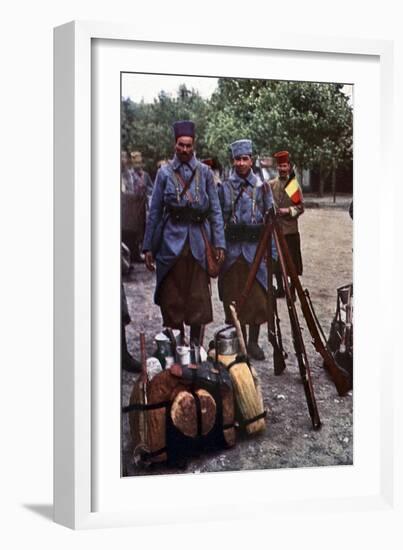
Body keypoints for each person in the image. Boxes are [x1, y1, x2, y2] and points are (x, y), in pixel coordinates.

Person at [142, 120, 226, 345]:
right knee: (172, 301)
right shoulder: (164, 173)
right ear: (175, 144)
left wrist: (219, 244)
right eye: (181, 145)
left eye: (189, 145)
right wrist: (148, 246)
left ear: (194, 144)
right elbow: (155, 210)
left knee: (199, 301)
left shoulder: (206, 173)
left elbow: (215, 211)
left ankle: (196, 352)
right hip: (170, 246)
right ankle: (177, 352)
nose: (185, 150)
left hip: (199, 245)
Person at [218, 139, 275, 360]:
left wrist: (273, 254)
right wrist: (219, 248)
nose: (241, 163)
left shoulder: (262, 187)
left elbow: (270, 222)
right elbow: (219, 218)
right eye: (237, 159)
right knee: (233, 296)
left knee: (257, 299)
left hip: (255, 252)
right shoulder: (224, 187)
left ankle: (252, 342)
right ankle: (237, 339)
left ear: (251, 160)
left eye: (245, 159)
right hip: (232, 253)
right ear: (232, 161)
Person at [269, 150, 304, 299]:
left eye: (285, 165)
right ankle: (280, 287)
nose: (282, 169)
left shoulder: (292, 185)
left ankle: (293, 288)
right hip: (276, 230)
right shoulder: (272, 184)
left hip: (290, 230)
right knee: (277, 261)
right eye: (280, 166)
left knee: (292, 262)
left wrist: (287, 211)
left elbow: (300, 208)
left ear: (289, 166)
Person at [121, 150, 153, 265]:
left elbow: (151, 189)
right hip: (131, 208)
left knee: (142, 229)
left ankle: (141, 252)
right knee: (132, 230)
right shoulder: (129, 175)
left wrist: (149, 196)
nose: (138, 165)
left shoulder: (146, 175)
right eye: (135, 163)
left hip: (142, 207)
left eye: (139, 162)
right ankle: (133, 253)